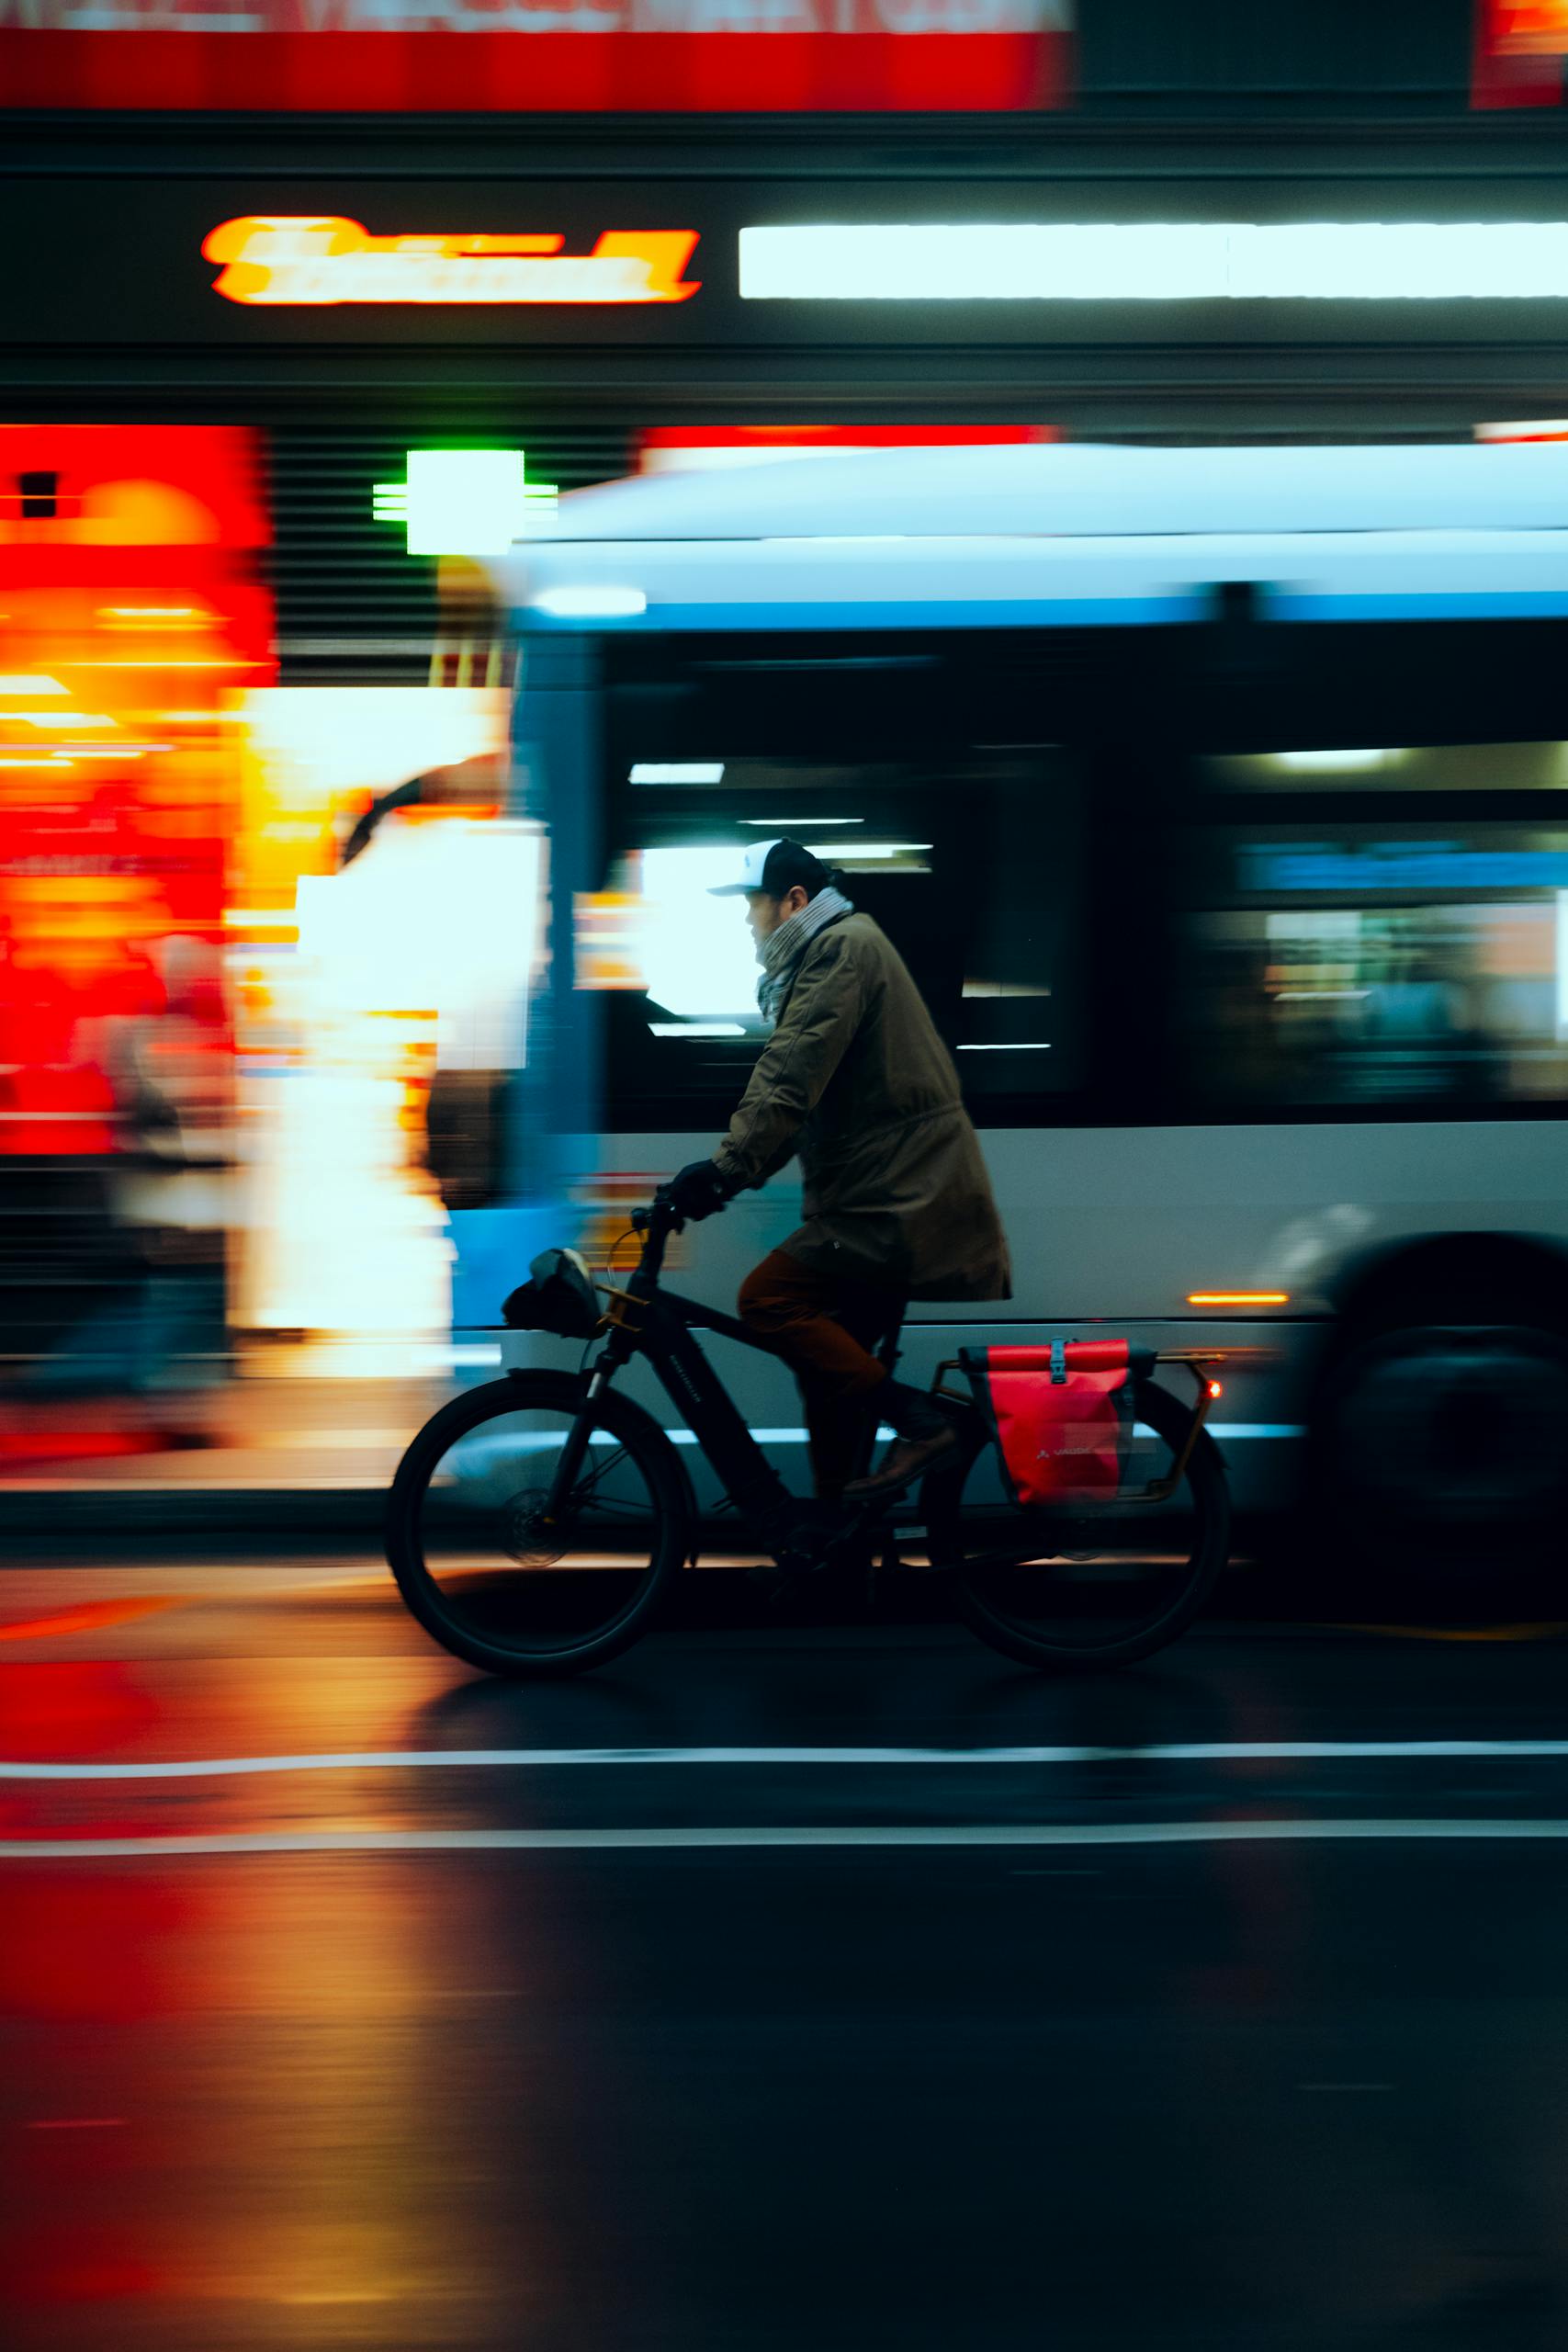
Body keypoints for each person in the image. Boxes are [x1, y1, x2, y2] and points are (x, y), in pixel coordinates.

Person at [666, 837, 1010, 1504]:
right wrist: (728, 1176)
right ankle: (834, 1539)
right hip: (883, 1191)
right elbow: (804, 1101)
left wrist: (725, 1170)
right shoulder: (834, 949)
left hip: (896, 1198)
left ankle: (921, 1424)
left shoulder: (838, 950)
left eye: (753, 905)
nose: (747, 921)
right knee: (828, 1373)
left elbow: (790, 1076)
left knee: (767, 1301)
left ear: (793, 901)